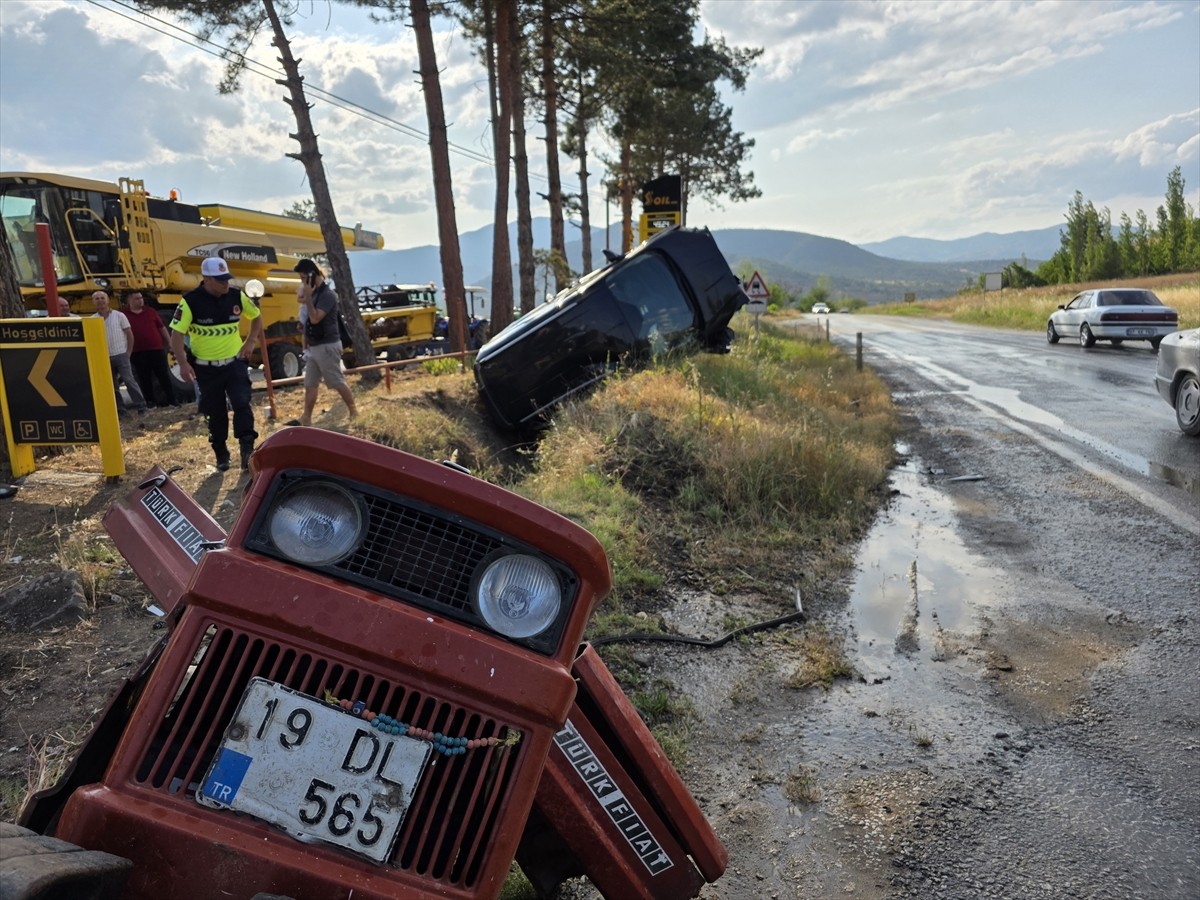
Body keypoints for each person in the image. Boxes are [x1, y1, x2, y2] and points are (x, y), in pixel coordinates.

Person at [169, 256, 263, 471]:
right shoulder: (190, 301)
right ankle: (221, 451)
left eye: (227, 279)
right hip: (205, 368)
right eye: (220, 280)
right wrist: (183, 364)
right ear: (207, 279)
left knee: (242, 403)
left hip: (234, 363)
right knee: (215, 411)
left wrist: (250, 342)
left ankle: (247, 449)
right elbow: (176, 335)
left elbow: (256, 316)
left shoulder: (236, 296)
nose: (225, 284)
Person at [293, 258, 357, 426]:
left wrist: (307, 298)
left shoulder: (327, 295)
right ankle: (306, 417)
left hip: (327, 345)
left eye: (302, 278)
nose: (302, 282)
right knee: (310, 383)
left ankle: (353, 411)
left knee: (336, 381)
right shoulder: (315, 294)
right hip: (315, 346)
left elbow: (315, 319)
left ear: (311, 275)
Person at [92, 290, 148, 417]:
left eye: (102, 298)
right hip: (104, 357)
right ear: (93, 302)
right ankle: (120, 410)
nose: (100, 300)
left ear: (107, 300)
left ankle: (141, 406)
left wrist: (128, 352)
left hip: (121, 354)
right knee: (112, 385)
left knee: (129, 381)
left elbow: (129, 334)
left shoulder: (119, 316)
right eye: (97, 299)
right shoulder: (92, 320)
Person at [123, 290, 179, 408]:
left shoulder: (151, 312)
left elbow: (162, 328)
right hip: (137, 351)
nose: (140, 300)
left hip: (156, 349)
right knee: (144, 378)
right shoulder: (124, 315)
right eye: (137, 298)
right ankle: (150, 402)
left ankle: (172, 401)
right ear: (129, 300)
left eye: (141, 298)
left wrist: (170, 343)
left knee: (163, 376)